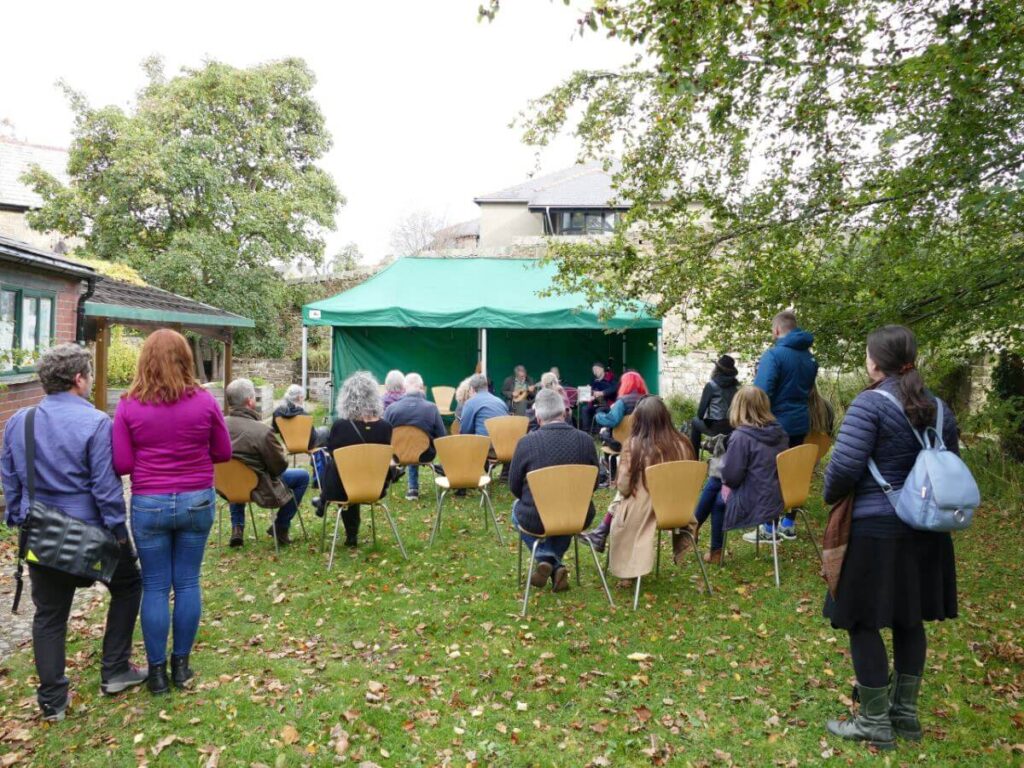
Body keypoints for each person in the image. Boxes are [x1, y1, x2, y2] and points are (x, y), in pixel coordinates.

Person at [822, 325, 959, 749]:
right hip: (927, 527)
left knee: (861, 619)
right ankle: (906, 716)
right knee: (909, 617)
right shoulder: (938, 407)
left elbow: (843, 468)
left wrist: (830, 494)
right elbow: (948, 462)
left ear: (875, 361)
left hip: (877, 529)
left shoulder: (869, 404)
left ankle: (876, 722)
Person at [1, 344, 146, 720]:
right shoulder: (98, 423)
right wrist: (119, 532)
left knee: (49, 614)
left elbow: (11, 478)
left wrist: (18, 518)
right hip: (90, 532)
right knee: (129, 586)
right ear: (79, 379)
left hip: (42, 533)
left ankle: (52, 700)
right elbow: (105, 488)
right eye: (90, 375)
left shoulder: (20, 421)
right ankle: (114, 669)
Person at [112, 329, 232, 695]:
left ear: (144, 360)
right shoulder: (204, 401)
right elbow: (224, 451)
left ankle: (157, 673)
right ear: (186, 358)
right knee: (187, 582)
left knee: (155, 585)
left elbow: (122, 463)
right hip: (196, 499)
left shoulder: (128, 404)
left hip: (150, 501)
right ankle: (181, 666)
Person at [509, 389, 600, 592]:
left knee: (516, 511)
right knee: (564, 517)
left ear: (538, 417)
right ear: (565, 413)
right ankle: (555, 564)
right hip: (578, 513)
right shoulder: (586, 441)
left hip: (536, 516)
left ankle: (545, 558)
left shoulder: (526, 443)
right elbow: (594, 484)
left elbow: (514, 486)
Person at [603, 397, 696, 585]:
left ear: (639, 419)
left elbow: (623, 486)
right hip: (677, 510)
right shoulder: (684, 443)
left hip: (644, 512)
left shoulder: (633, 445)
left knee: (622, 511)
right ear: (665, 417)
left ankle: (627, 574)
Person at [746, 310, 818, 542]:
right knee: (794, 471)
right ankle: (789, 524)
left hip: (776, 423)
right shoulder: (810, 358)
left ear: (777, 330)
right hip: (800, 420)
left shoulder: (774, 355)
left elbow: (761, 393)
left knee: (771, 473)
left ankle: (768, 527)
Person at [225, 378, 310, 547]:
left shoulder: (217, 426)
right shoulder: (262, 431)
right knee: (303, 476)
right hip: (260, 486)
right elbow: (279, 466)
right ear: (250, 401)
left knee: (235, 470)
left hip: (227, 486)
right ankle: (281, 525)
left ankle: (237, 528)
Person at [318, 371, 393, 547]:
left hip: (344, 488)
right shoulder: (386, 427)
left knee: (336, 468)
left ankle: (349, 531)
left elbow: (332, 453)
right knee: (347, 473)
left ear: (347, 397)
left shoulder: (340, 426)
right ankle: (348, 530)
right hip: (375, 487)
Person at [713, 387, 790, 559]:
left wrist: (722, 467)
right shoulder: (780, 432)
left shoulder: (741, 437)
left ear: (738, 407)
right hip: (778, 495)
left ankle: (715, 551)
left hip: (756, 498)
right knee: (714, 481)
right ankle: (695, 526)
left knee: (716, 499)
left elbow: (732, 478)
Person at [384, 372, 446, 500]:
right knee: (416, 443)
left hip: (397, 455)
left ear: (404, 388)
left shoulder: (391, 409)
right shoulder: (432, 408)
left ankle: (412, 489)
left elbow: (385, 437)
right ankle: (413, 488)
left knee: (410, 443)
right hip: (425, 454)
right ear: (421, 387)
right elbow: (442, 437)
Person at [688, 355, 739, 453]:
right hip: (731, 427)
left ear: (717, 370)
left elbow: (700, 413)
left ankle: (693, 458)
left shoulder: (711, 385)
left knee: (695, 422)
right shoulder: (735, 388)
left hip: (716, 427)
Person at [596, 371, 648, 451]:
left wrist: (598, 415)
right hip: (644, 442)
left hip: (622, 443)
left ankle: (609, 461)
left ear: (625, 384)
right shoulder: (648, 400)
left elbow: (612, 421)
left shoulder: (622, 401)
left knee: (603, 432)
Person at [272, 384, 328, 449]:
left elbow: (275, 430)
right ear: (299, 397)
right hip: (307, 445)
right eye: (302, 397)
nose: (303, 400)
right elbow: (312, 436)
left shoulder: (277, 412)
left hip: (289, 444)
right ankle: (322, 457)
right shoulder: (304, 415)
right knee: (325, 430)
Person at [580, 362, 618, 434]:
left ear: (602, 369)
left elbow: (614, 388)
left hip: (608, 403)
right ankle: (586, 432)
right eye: (593, 370)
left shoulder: (611, 377)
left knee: (599, 410)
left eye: (596, 369)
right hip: (596, 402)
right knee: (584, 409)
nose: (594, 372)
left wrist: (602, 393)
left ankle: (600, 432)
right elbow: (592, 392)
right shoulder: (593, 380)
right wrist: (587, 395)